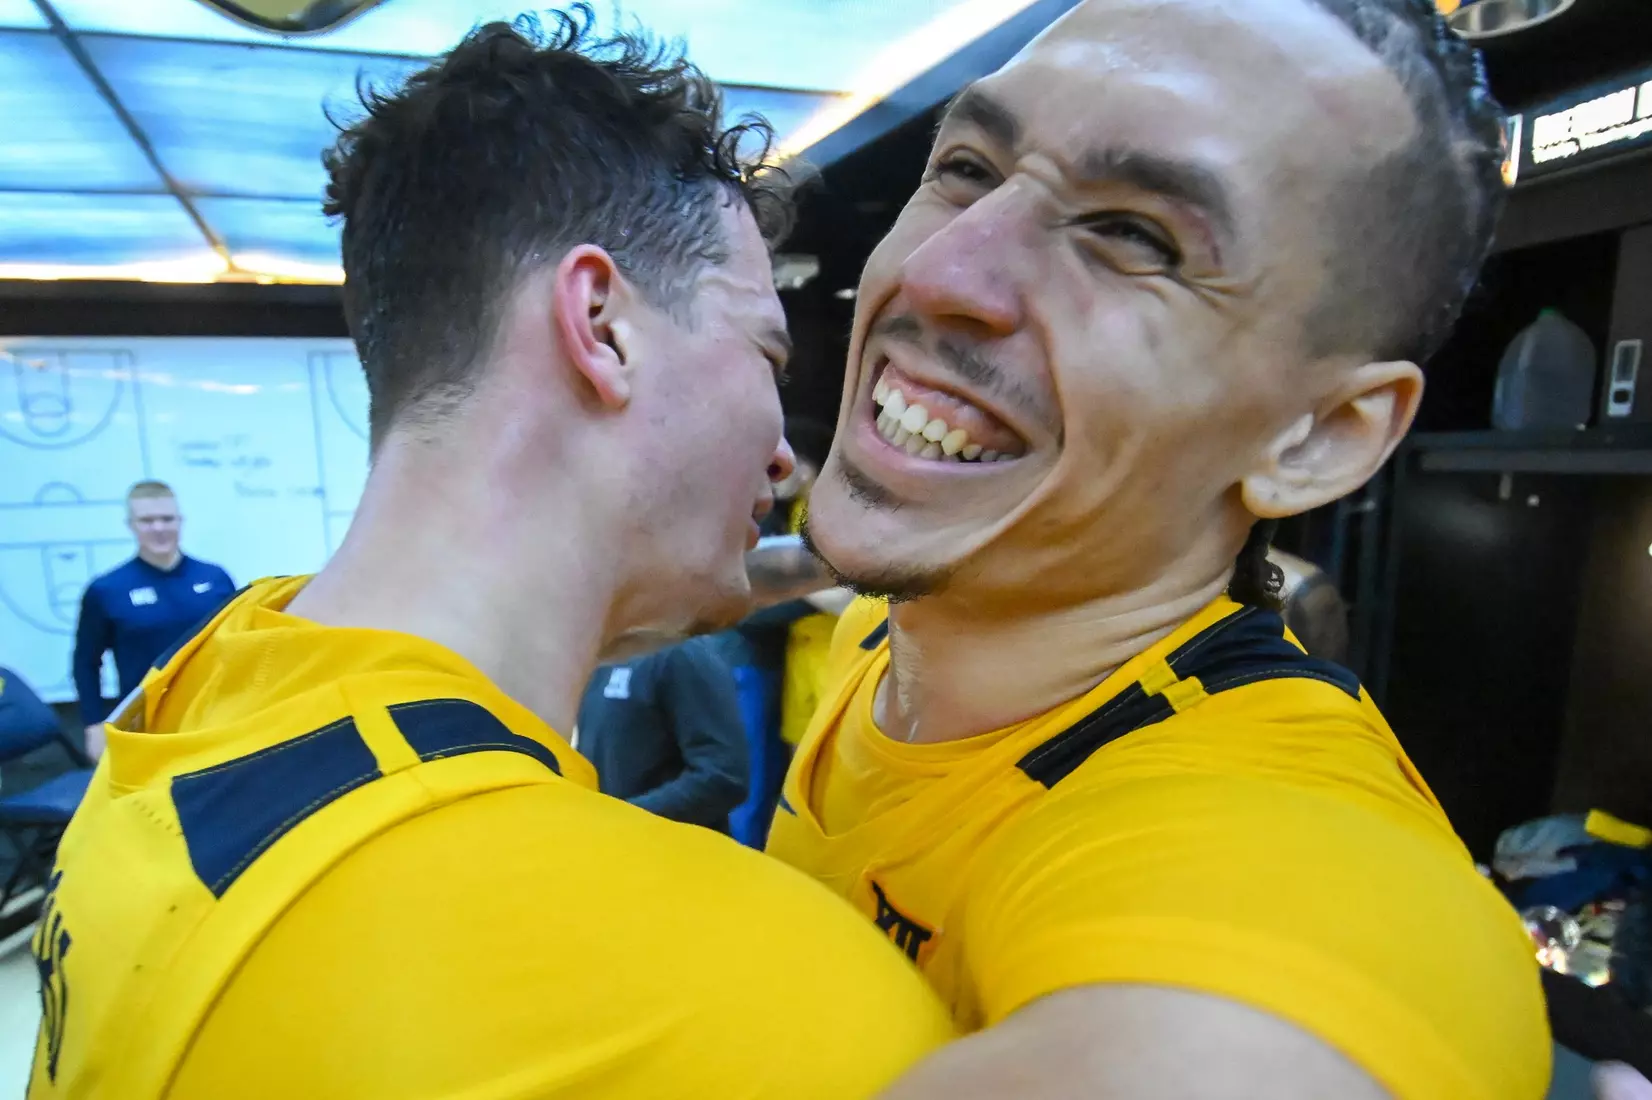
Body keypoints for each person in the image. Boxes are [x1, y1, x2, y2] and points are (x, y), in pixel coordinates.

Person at [27, 14, 951, 1099]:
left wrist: (820, 558)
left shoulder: (210, 682)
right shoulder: (730, 989)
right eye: (764, 348)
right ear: (600, 323)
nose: (785, 452)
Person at [763, 0, 1556, 1096]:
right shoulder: (882, 640)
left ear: (1315, 438)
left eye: (1132, 235)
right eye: (967, 168)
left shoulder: (1292, 848)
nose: (942, 271)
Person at [71, 481, 233, 758]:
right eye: (147, 521)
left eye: (166, 519)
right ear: (131, 524)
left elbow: (238, 642)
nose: (159, 528)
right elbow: (86, 662)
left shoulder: (215, 579)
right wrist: (94, 726)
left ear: (180, 521)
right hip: (147, 724)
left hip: (213, 715)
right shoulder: (107, 590)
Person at [576, 637, 749, 833]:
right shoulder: (603, 657)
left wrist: (622, 819)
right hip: (611, 847)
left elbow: (724, 776)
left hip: (672, 853)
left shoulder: (684, 654)